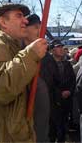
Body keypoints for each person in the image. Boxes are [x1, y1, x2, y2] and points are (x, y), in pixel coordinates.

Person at [0, 3, 47, 142]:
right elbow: (1, 89)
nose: (25, 20)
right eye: (19, 16)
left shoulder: (11, 48)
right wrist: (30, 55)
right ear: (3, 22)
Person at [23, 14, 61, 142]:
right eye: (35, 27)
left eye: (41, 27)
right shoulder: (16, 54)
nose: (40, 31)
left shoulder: (48, 58)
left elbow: (56, 82)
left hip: (47, 111)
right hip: (23, 113)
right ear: (24, 29)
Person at [50, 39, 76, 142]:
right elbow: (49, 83)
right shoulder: (48, 65)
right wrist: (59, 93)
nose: (61, 49)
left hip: (66, 101)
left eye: (62, 47)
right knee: (53, 130)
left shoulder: (67, 64)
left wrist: (69, 91)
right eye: (58, 47)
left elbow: (73, 80)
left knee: (63, 128)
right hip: (54, 102)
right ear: (52, 50)